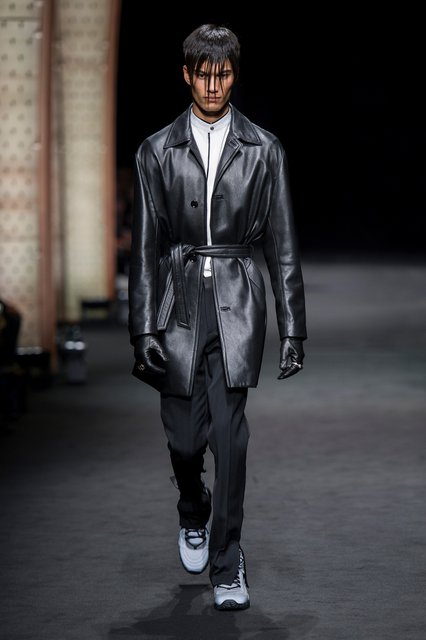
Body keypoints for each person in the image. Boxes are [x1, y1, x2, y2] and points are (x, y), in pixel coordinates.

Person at [128, 23, 307, 611]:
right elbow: (145, 247)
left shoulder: (264, 150)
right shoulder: (156, 150)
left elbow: (282, 243)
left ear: (234, 75)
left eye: (222, 74)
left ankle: (228, 563)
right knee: (184, 440)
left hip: (237, 300)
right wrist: (141, 328)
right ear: (186, 75)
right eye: (203, 75)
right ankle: (192, 506)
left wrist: (293, 327)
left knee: (230, 439)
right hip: (178, 302)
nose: (212, 85)